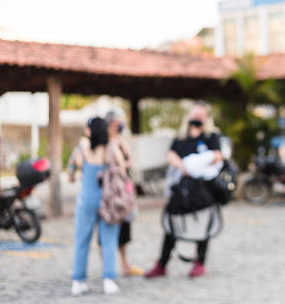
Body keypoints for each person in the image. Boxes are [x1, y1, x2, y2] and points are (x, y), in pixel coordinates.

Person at [145, 101, 223, 279]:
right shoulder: (181, 137)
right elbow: (171, 154)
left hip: (202, 190)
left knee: (203, 225)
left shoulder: (211, 136)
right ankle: (162, 264)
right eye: (194, 115)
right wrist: (184, 167)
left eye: (200, 115)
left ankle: (200, 262)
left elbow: (218, 155)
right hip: (182, 189)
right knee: (172, 225)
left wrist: (199, 163)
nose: (196, 118)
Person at [71, 117, 126, 296]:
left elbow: (71, 173)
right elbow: (123, 172)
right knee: (109, 240)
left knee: (82, 240)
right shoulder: (111, 149)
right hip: (107, 200)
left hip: (86, 200)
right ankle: (109, 280)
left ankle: (78, 281)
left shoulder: (82, 150)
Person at [102, 109, 144, 277]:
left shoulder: (120, 143)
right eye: (119, 122)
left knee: (124, 229)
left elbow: (129, 162)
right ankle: (108, 267)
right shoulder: (103, 144)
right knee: (106, 228)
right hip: (108, 193)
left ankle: (124, 264)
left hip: (122, 192)